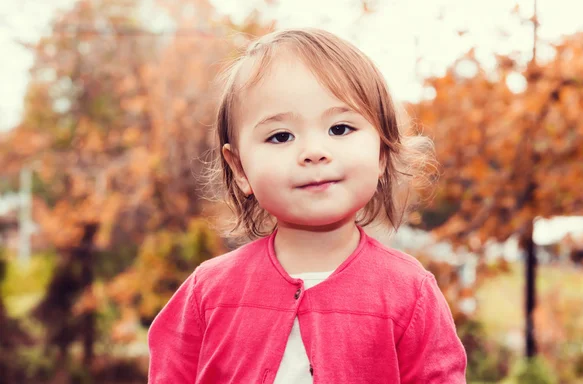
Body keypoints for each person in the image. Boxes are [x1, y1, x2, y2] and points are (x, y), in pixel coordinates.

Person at [148, 28, 467, 383]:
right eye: (281, 136)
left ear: (381, 153)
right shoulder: (207, 293)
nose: (315, 151)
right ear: (240, 169)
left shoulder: (410, 293)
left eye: (340, 128)